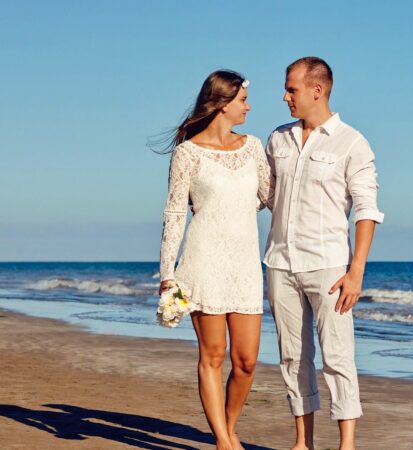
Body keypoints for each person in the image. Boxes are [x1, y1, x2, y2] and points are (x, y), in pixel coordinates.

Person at [264, 56, 384, 450]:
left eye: (292, 89)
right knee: (292, 357)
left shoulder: (353, 142)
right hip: (280, 263)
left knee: (337, 357)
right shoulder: (277, 139)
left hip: (330, 266)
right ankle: (303, 442)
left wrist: (357, 271)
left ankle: (346, 445)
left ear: (317, 90)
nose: (285, 97)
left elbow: (366, 209)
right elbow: (263, 195)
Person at [157, 70, 273, 450]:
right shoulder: (187, 153)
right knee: (213, 355)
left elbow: (270, 197)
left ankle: (228, 427)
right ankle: (224, 441)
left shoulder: (253, 147)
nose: (248, 106)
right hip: (202, 261)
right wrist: (166, 275)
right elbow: (175, 213)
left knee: (246, 362)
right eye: (242, 100)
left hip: (244, 266)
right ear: (222, 104)